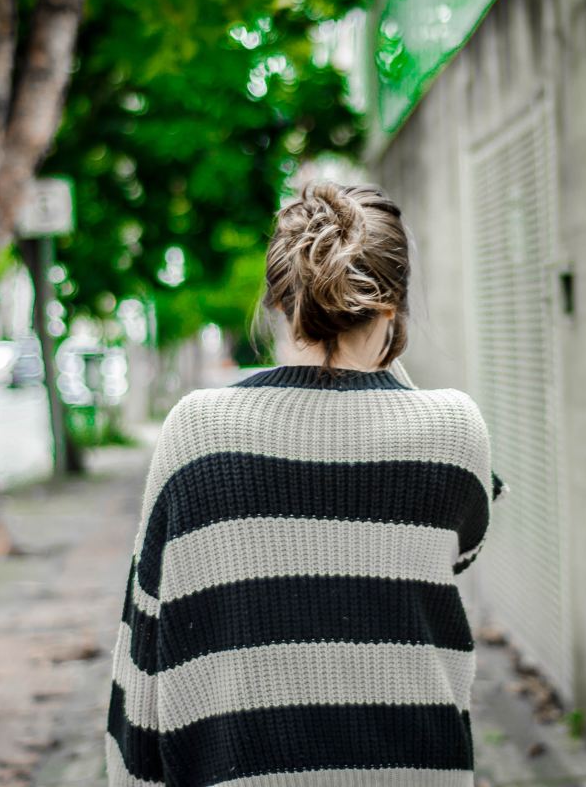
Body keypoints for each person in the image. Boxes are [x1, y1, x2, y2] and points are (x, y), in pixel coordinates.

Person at [105, 181, 504, 786]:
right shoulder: (454, 431)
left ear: (277, 301)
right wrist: (384, 354)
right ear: (392, 305)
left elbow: (144, 651)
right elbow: (464, 549)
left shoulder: (196, 431)